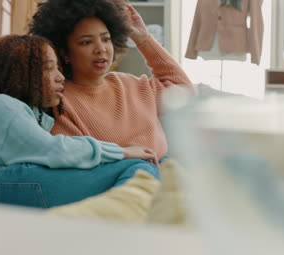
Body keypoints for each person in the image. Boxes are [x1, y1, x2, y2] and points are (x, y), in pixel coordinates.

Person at [0, 35, 161, 208]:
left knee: (148, 167)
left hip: (11, 184)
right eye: (49, 68)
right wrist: (122, 152)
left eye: (58, 68)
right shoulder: (1, 105)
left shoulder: (32, 114)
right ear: (20, 73)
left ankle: (116, 222)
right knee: (138, 169)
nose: (60, 77)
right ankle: (121, 226)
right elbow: (53, 150)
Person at [29, 0, 196, 161]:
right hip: (117, 185)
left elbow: (184, 92)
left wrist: (143, 39)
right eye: (86, 42)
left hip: (160, 179)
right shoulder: (59, 99)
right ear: (64, 53)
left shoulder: (134, 85)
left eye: (106, 39)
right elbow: (75, 157)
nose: (101, 49)